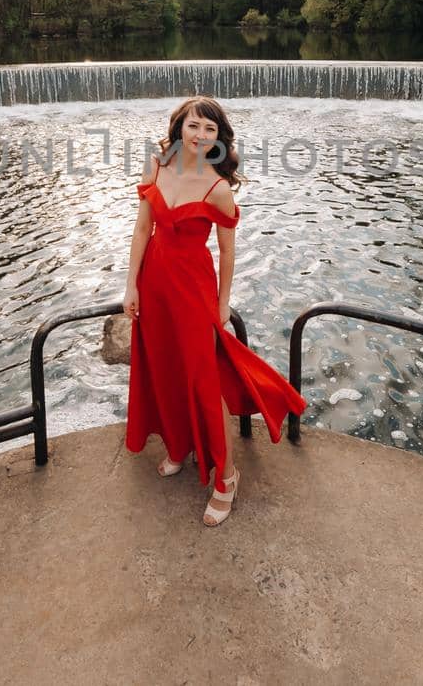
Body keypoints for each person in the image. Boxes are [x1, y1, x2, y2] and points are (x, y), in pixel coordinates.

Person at [122, 96, 308, 527]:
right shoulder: (157, 166)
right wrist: (130, 284)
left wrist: (221, 307)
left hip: (192, 290)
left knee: (204, 383)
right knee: (163, 368)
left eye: (209, 129)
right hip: (154, 282)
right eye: (193, 126)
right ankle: (179, 444)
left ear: (219, 136)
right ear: (179, 128)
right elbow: (141, 227)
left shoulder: (217, 188)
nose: (200, 135)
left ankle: (226, 476)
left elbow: (226, 253)